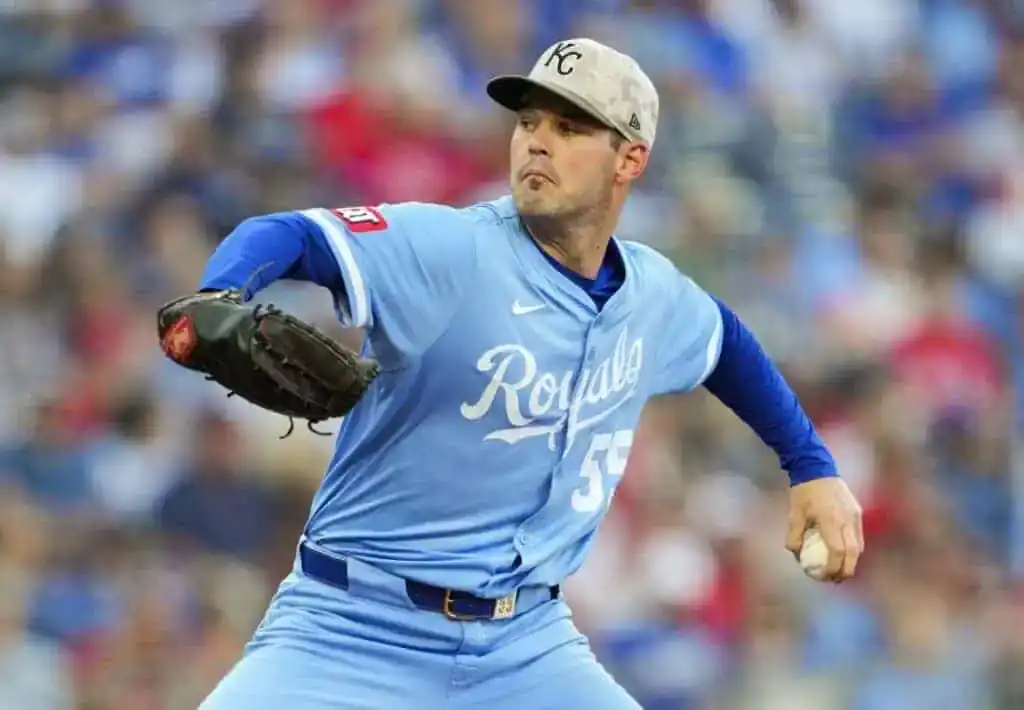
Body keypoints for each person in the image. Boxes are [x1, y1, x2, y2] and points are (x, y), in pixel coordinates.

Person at [194, 38, 863, 710]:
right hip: (349, 629)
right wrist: (217, 297)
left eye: (569, 128)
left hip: (524, 646)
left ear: (629, 158)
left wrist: (811, 466)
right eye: (527, 123)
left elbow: (726, 345)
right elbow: (290, 234)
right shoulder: (453, 250)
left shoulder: (652, 294)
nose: (537, 143)